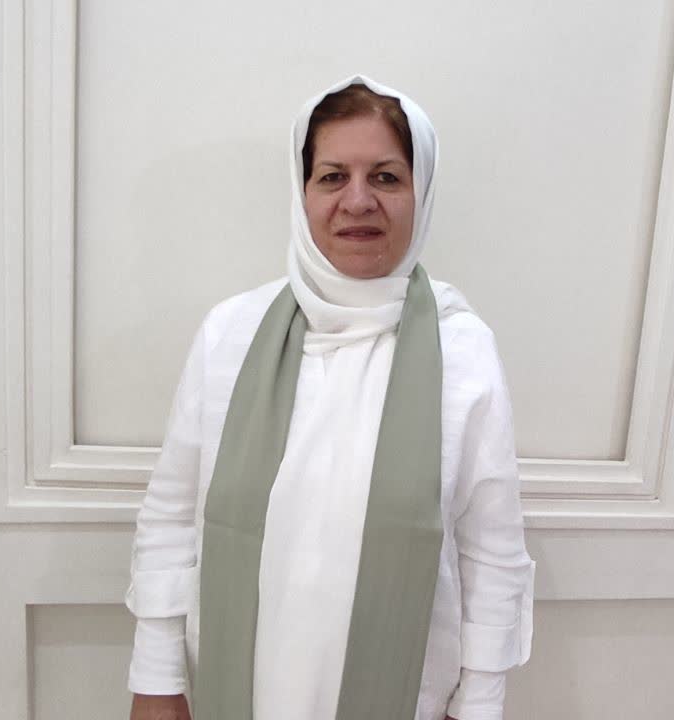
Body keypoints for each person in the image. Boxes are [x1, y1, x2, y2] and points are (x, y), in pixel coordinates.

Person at [125, 73, 534, 720]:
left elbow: (492, 554)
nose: (358, 201)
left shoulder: (462, 350)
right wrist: (155, 679)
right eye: (333, 176)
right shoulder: (231, 334)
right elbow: (172, 518)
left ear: (421, 191)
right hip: (239, 690)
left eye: (386, 177)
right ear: (303, 191)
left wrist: (480, 705)